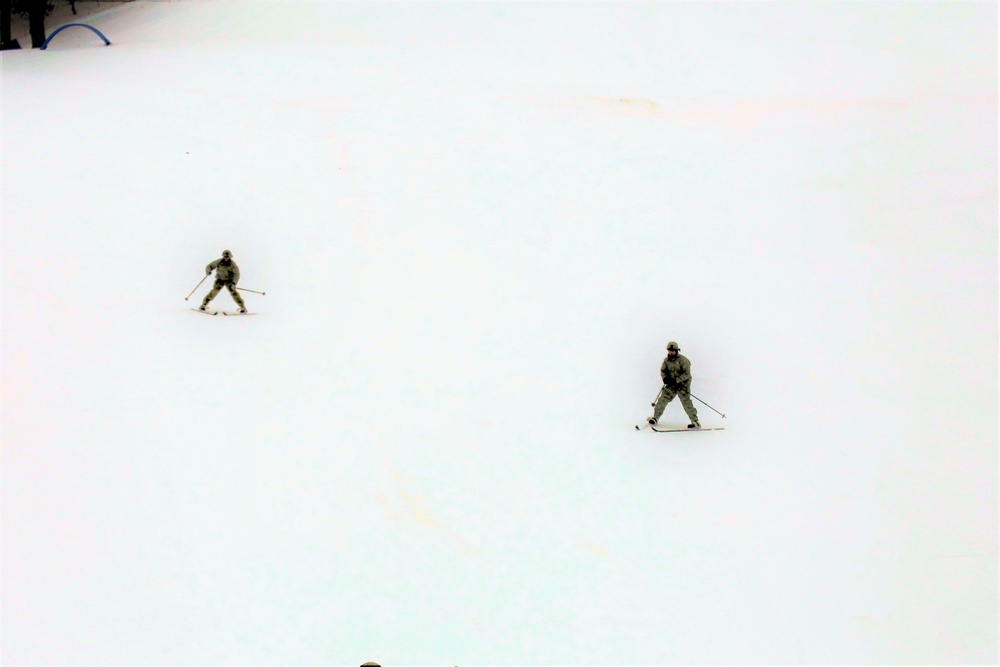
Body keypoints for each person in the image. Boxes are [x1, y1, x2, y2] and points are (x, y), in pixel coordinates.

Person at [648, 341, 700, 428]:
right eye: (669, 350)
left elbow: (687, 374)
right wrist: (665, 378)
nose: (671, 352)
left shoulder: (684, 360)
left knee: (686, 402)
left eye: (673, 351)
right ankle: (655, 417)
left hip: (682, 385)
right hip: (671, 384)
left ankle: (695, 421)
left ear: (677, 350)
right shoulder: (666, 361)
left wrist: (677, 380)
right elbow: (663, 371)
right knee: (662, 400)